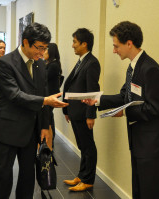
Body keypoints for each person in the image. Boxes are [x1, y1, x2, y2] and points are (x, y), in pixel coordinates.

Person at [82, 21, 159, 199]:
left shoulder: (150, 68)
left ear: (129, 43)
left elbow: (156, 108)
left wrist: (124, 112)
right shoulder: (133, 67)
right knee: (139, 190)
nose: (114, 51)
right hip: (139, 140)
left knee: (150, 192)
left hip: (151, 143)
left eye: (116, 46)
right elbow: (124, 97)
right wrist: (96, 100)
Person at [0, 22, 68, 199]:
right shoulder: (5, 63)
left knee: (28, 177)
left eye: (45, 48)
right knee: (2, 177)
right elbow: (14, 95)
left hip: (30, 132)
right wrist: (45, 100)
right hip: (7, 130)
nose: (41, 53)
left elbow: (44, 95)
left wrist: (45, 126)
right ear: (25, 42)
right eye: (39, 48)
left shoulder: (40, 66)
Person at [62, 28, 101, 192]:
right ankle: (82, 175)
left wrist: (90, 115)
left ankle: (88, 180)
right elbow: (70, 84)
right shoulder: (81, 61)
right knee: (82, 146)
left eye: (75, 42)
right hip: (75, 111)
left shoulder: (92, 63)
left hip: (84, 113)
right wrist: (66, 109)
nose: (72, 46)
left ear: (84, 44)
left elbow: (92, 91)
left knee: (88, 146)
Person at [43, 42, 63, 150]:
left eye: (46, 50)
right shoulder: (48, 63)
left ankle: (50, 142)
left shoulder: (53, 65)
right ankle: (49, 142)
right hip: (48, 95)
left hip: (51, 95)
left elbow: (43, 77)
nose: (43, 52)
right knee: (49, 117)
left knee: (48, 118)